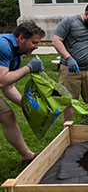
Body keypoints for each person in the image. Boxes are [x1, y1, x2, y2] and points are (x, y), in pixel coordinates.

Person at [52, 1, 88, 123]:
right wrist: (68, 58)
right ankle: (67, 128)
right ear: (86, 13)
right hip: (70, 71)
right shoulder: (69, 22)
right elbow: (56, 40)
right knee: (68, 100)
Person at [0, 22, 45, 162]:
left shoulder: (17, 55)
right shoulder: (4, 46)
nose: (36, 47)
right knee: (7, 115)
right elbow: (2, 80)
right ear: (21, 38)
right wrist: (29, 68)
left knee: (8, 116)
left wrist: (26, 105)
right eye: (34, 43)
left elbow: (8, 86)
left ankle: (27, 156)